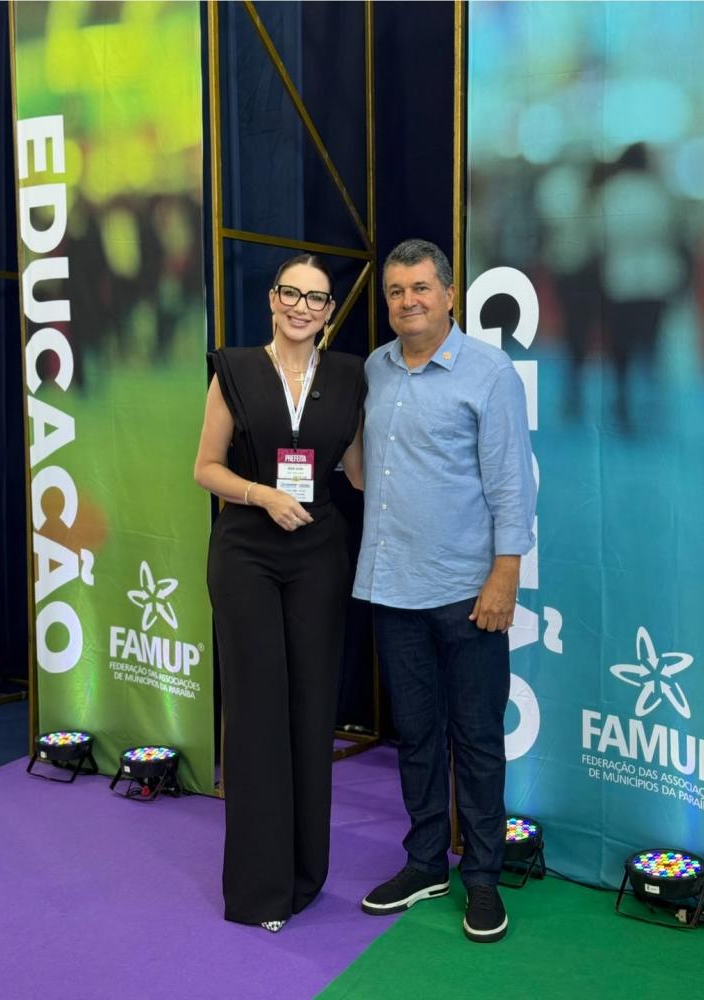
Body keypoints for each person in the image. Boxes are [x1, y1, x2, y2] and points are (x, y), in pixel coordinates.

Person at [353, 239, 536, 943]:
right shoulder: (375, 368)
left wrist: (505, 574)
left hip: (468, 593)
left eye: (422, 288)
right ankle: (426, 862)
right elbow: (365, 467)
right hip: (392, 588)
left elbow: (511, 482)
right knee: (418, 737)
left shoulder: (490, 373)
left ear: (451, 295)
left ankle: (482, 878)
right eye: (396, 291)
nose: (409, 301)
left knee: (478, 740)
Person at [194, 254, 364, 933]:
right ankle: (259, 890)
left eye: (316, 298)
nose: (301, 306)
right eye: (291, 293)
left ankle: (304, 876)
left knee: (312, 708)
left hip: (319, 555)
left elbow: (359, 471)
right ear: (272, 300)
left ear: (328, 312)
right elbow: (205, 468)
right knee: (257, 713)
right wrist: (261, 494)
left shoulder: (349, 377)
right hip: (247, 553)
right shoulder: (235, 370)